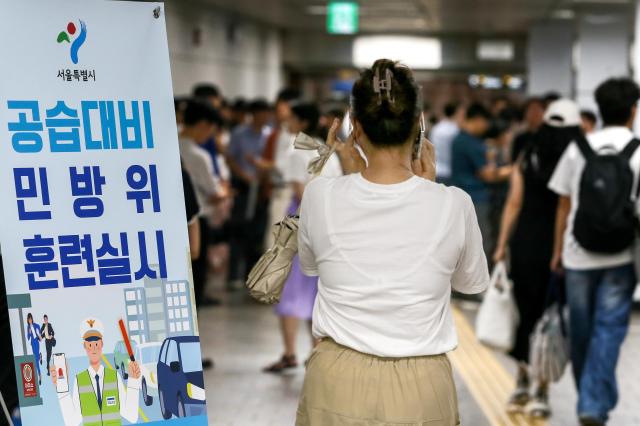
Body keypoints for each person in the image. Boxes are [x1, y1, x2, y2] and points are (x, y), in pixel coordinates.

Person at [295, 59, 489, 425]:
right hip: (422, 384)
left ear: (356, 128)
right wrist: (428, 192)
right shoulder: (453, 203)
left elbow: (311, 265)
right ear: (419, 125)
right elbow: (471, 282)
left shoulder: (319, 196)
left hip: (336, 377)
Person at [548, 78, 640, 426]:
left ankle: (591, 399)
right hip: (620, 256)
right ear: (633, 111)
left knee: (582, 330)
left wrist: (556, 250)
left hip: (577, 254)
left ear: (599, 111)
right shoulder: (638, 150)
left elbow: (563, 203)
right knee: (609, 329)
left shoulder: (579, 148)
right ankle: (595, 399)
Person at [494, 99, 583, 417]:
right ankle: (541, 391)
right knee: (550, 320)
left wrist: (502, 244)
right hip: (559, 248)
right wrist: (559, 251)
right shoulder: (577, 154)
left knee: (525, 314)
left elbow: (514, 202)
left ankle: (520, 382)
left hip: (526, 242)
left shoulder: (528, 149)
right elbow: (567, 206)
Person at [263, 103, 342, 373]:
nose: (287, 121)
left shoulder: (297, 148)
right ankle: (316, 350)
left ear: (301, 121)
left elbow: (299, 191)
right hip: (329, 223)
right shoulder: (325, 148)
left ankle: (288, 353)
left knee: (291, 289)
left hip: (301, 221)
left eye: (292, 117)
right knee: (317, 290)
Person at [179, 100, 225, 307]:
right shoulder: (199, 156)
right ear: (203, 124)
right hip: (196, 219)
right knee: (195, 275)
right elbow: (214, 192)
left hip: (170, 221)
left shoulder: (165, 144)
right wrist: (224, 192)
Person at [52, 318, 141, 425]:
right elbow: (72, 422)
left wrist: (133, 381)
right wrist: (62, 391)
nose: (93, 348)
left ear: (102, 344)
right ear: (84, 346)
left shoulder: (114, 377)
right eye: (90, 345)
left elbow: (131, 416)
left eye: (96, 344)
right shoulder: (79, 380)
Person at [451, 103, 511, 258]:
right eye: (485, 122)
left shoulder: (461, 139)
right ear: (478, 120)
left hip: (463, 196)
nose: (486, 127)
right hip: (475, 198)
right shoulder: (469, 142)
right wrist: (513, 170)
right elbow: (488, 175)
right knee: (480, 242)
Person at [226, 99, 272, 285]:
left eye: (266, 114)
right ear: (252, 115)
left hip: (261, 188)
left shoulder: (269, 135)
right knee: (239, 230)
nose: (264, 118)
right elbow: (230, 158)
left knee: (257, 231)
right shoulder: (239, 134)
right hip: (243, 186)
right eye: (260, 114)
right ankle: (234, 275)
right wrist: (243, 175)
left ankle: (251, 274)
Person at [429, 102, 463, 185]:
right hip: (449, 171)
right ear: (457, 113)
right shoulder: (455, 131)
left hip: (436, 169)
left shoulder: (436, 128)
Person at [511, 97, 545, 161]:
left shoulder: (549, 138)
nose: (535, 113)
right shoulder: (520, 139)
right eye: (531, 109)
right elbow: (515, 161)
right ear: (525, 114)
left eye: (538, 109)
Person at [26, 313, 42, 385]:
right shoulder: (28, 327)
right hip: (32, 343)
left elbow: (39, 330)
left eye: (30, 319)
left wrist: (38, 333)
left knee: (36, 360)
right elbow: (28, 338)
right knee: (36, 359)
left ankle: (39, 376)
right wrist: (29, 333)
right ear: (27, 320)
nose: (30, 320)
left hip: (36, 342)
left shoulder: (36, 325)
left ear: (32, 319)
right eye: (28, 319)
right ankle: (40, 356)